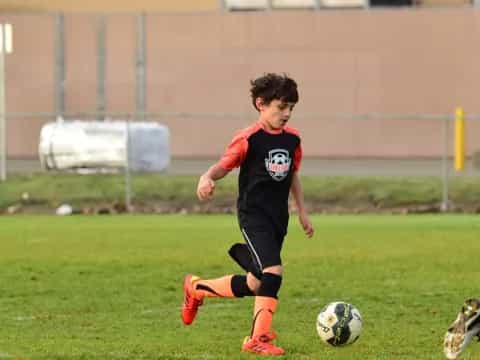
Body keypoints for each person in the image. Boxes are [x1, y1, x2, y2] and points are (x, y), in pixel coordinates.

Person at [180, 72, 314, 356]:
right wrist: (207, 177)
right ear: (260, 104)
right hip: (254, 217)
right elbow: (224, 166)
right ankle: (258, 338)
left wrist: (302, 211)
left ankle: (196, 288)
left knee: (256, 283)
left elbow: (293, 176)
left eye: (291, 107)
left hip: (279, 219)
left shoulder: (293, 140)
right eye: (281, 107)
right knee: (273, 272)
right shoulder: (248, 139)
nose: (287, 113)